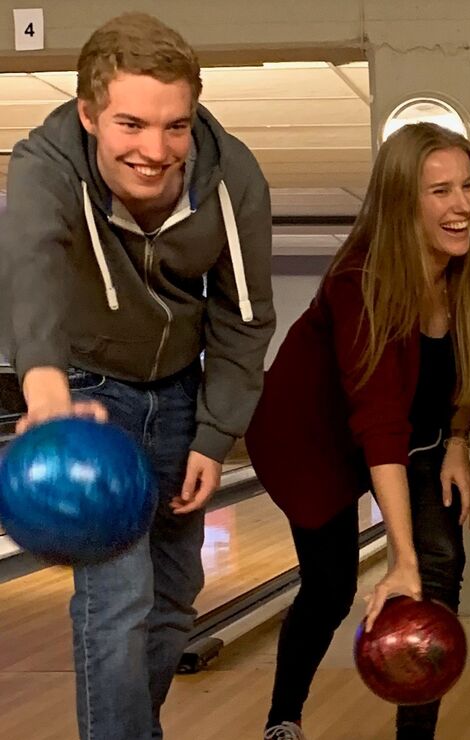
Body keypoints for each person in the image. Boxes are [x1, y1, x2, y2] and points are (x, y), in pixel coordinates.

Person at [0, 13, 274, 740]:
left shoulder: (232, 175)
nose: (155, 152)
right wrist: (47, 396)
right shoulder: (44, 163)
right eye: (130, 125)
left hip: (181, 389)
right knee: (118, 602)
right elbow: (30, 274)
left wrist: (215, 438)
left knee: (177, 599)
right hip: (90, 392)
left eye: (175, 127)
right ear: (89, 114)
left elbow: (244, 319)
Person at [244, 122, 470, 740]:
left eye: (468, 186)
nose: (461, 204)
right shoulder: (361, 283)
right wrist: (398, 559)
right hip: (315, 444)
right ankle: (284, 718)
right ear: (399, 201)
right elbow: (378, 420)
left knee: (442, 570)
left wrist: (459, 444)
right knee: (332, 588)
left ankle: (415, 736)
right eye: (438, 191)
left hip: (413, 436)